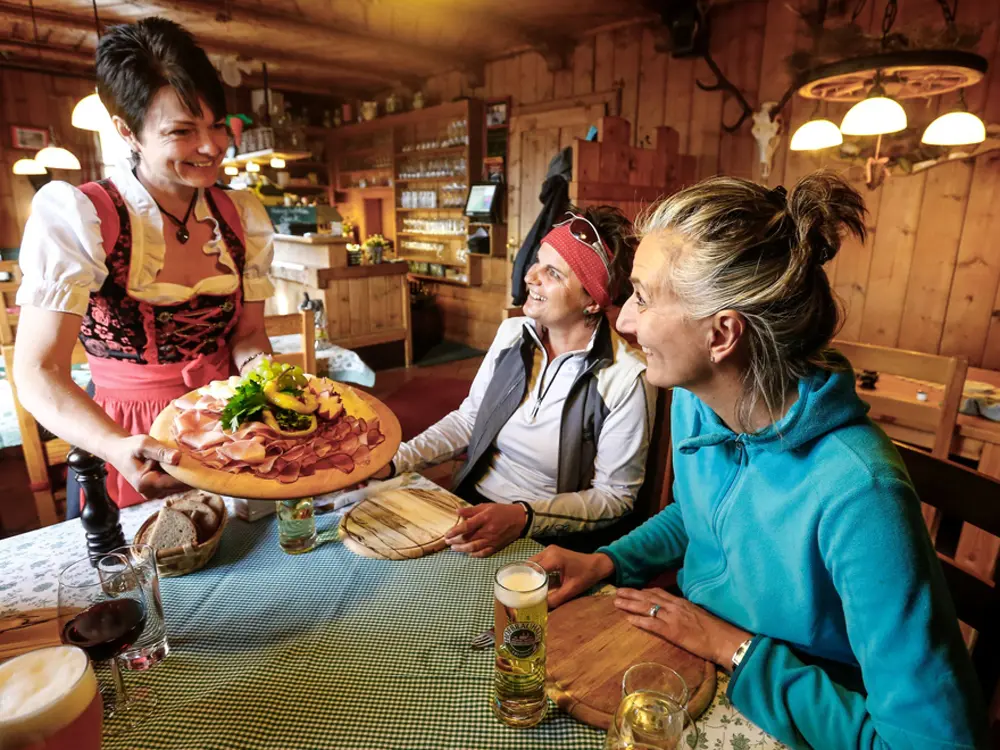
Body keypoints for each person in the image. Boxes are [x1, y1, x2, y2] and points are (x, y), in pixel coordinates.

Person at [533, 173, 986, 748]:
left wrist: (733, 646)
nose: (622, 319)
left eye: (642, 298)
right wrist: (606, 562)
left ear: (722, 334)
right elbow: (696, 514)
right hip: (703, 661)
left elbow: (932, 743)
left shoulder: (861, 491)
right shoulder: (698, 402)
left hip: (807, 707)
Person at [13, 17, 275, 515]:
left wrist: (264, 383)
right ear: (126, 131)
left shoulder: (240, 217)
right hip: (123, 433)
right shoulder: (83, 216)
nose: (212, 146)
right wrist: (115, 447)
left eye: (217, 124)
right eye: (182, 131)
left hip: (227, 426)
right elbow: (38, 371)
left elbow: (248, 335)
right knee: (142, 578)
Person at [382, 206, 655, 557]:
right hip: (468, 504)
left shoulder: (625, 377)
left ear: (592, 301)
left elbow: (615, 498)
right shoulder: (513, 334)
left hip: (545, 537)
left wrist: (523, 517)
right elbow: (469, 420)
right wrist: (397, 461)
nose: (530, 277)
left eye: (553, 273)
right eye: (538, 262)